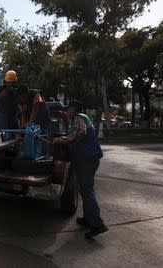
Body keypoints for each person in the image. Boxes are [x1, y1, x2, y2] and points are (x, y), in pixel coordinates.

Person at [53, 101, 108, 239]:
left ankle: (97, 224)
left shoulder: (79, 117)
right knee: (85, 189)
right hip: (87, 159)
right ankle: (88, 219)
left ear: (74, 109)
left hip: (86, 159)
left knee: (87, 191)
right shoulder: (79, 119)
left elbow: (80, 132)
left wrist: (63, 140)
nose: (67, 111)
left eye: (68, 109)